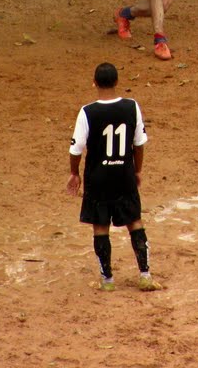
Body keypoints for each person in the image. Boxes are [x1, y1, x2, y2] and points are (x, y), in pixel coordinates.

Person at [67, 62, 162, 292]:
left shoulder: (87, 112)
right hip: (124, 175)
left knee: (100, 227)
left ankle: (107, 280)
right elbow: (139, 144)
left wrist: (74, 173)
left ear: (95, 83)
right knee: (134, 222)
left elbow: (76, 149)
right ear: (117, 82)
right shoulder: (132, 107)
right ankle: (145, 275)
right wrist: (137, 170)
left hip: (97, 178)